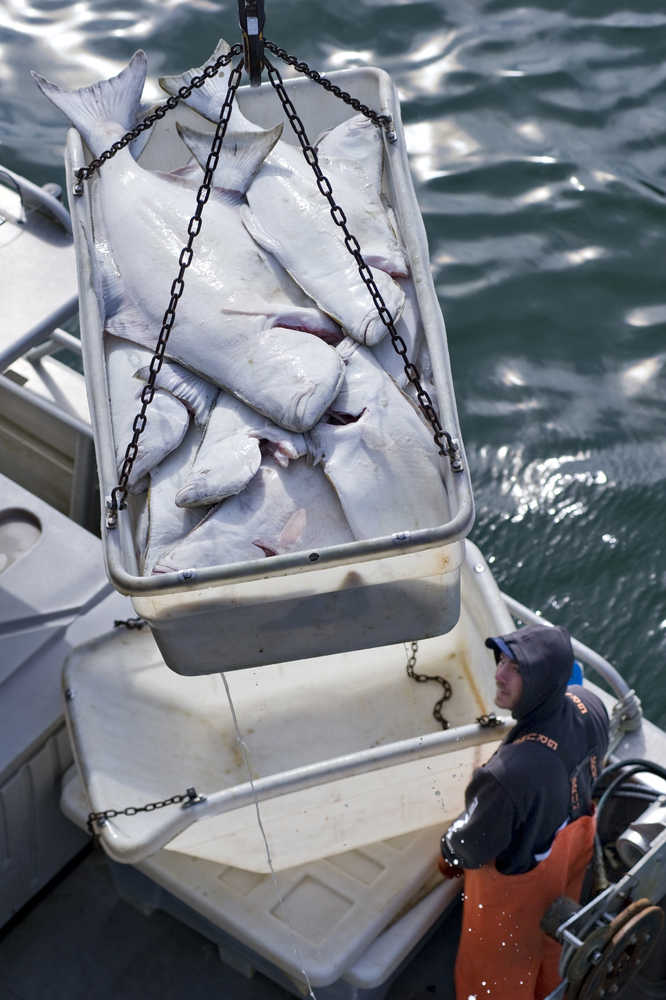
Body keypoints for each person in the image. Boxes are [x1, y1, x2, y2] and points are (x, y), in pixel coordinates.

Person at [439, 624, 609, 1000]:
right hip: (569, 866)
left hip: (515, 903)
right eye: (501, 660)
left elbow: (466, 847)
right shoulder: (590, 706)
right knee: (554, 950)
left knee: (495, 980)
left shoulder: (507, 776)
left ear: (543, 681)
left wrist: (447, 853)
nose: (498, 673)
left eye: (516, 668)